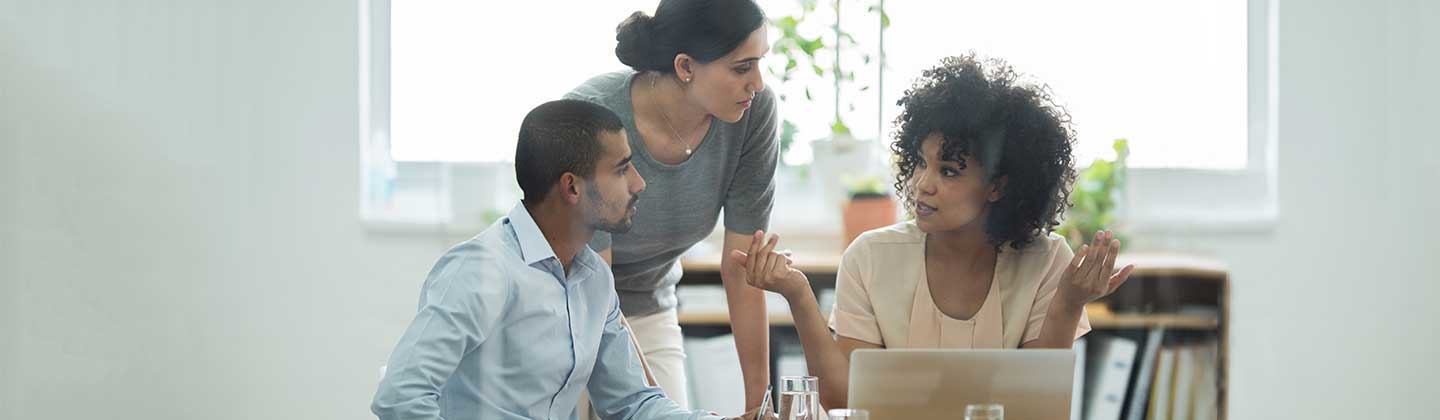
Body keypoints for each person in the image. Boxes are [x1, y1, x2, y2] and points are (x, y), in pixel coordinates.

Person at [735, 54, 1137, 409]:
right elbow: (843, 401)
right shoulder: (870, 256)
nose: (922, 184)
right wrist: (798, 293)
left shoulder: (1047, 261)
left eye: (948, 171)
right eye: (921, 163)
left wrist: (1068, 302)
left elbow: (1033, 410)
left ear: (998, 185)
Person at [371, 99, 756, 420]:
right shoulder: (480, 270)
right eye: (622, 169)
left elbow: (632, 402)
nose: (639, 183)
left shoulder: (594, 279)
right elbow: (400, 397)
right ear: (571, 186)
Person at [563, 0, 776, 410]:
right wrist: (654, 407)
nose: (759, 83)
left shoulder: (752, 114)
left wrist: (758, 405)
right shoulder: (594, 118)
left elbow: (742, 266)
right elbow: (593, 286)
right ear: (685, 67)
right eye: (742, 67)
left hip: (648, 307)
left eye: (760, 62)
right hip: (564, 307)